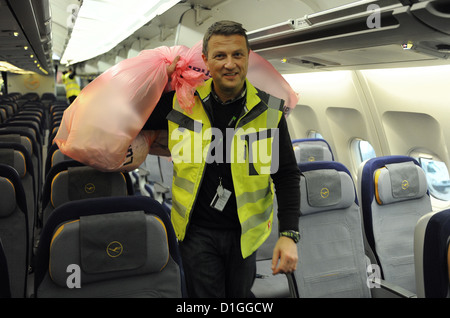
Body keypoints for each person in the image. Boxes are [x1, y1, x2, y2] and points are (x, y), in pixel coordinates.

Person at [141, 20, 300, 298]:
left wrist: (289, 234)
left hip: (245, 234)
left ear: (248, 57)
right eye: (220, 56)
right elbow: (133, 116)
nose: (230, 64)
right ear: (206, 60)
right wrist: (159, 81)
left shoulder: (271, 112)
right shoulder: (180, 102)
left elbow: (286, 174)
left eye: (237, 54)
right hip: (195, 231)